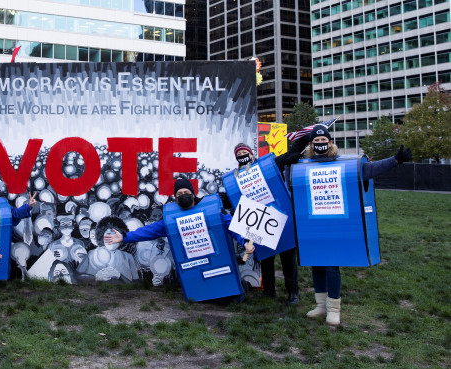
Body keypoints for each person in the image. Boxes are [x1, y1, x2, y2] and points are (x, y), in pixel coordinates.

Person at [302, 125, 412, 326]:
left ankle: (333, 308)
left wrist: (395, 160)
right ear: (310, 144)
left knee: (331, 265)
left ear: (330, 142)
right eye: (316, 141)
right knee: (316, 263)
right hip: (313, 223)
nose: (320, 144)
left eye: (323, 140)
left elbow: (369, 170)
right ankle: (320, 305)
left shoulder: (344, 163)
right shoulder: (303, 166)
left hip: (336, 223)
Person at [104, 179, 255, 297]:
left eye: (186, 192)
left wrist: (244, 241)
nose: (183, 195)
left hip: (218, 259)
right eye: (179, 194)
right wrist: (125, 237)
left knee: (233, 296)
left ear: (193, 193)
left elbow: (232, 226)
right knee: (201, 296)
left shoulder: (212, 210)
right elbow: (149, 231)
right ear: (175, 198)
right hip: (195, 263)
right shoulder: (172, 218)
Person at [232, 137, 308, 305]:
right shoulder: (236, 178)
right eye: (240, 154)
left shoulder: (268, 166)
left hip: (281, 219)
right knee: (266, 260)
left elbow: (290, 154)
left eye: (245, 152)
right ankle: (269, 291)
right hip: (259, 223)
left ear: (252, 154)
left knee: (288, 259)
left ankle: (293, 292)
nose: (243, 155)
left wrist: (305, 137)